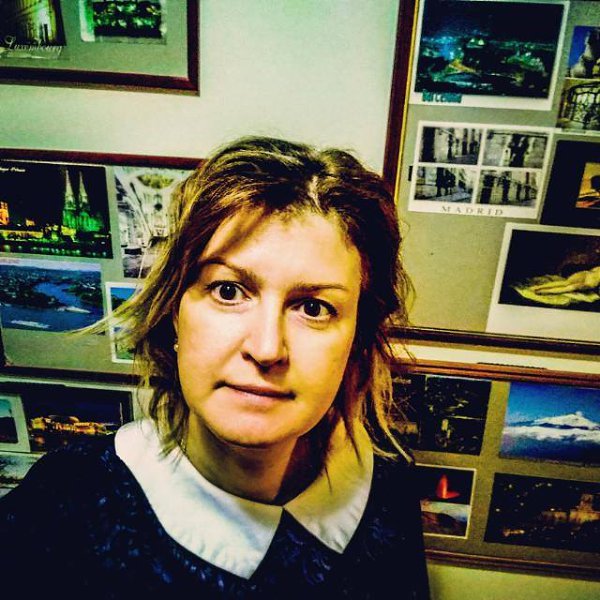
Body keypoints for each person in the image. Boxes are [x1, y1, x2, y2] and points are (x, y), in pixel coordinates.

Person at [0, 137, 430, 599]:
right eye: (228, 291)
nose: (267, 348)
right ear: (174, 314)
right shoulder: (67, 501)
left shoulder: (386, 483)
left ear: (357, 340)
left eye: (313, 307)